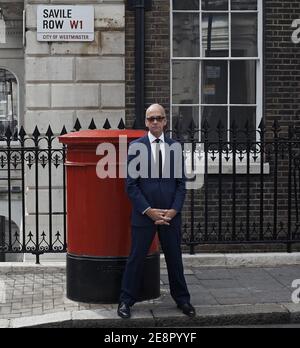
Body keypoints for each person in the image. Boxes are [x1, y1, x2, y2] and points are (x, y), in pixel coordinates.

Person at [117, 103, 195, 319]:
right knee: (136, 258)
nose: (155, 122)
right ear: (145, 121)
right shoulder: (135, 147)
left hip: (171, 215)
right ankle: (125, 301)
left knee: (174, 258)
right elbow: (131, 185)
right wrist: (149, 210)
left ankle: (183, 300)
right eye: (151, 118)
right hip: (145, 215)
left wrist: (173, 210)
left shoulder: (176, 147)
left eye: (158, 118)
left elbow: (181, 184)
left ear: (165, 121)